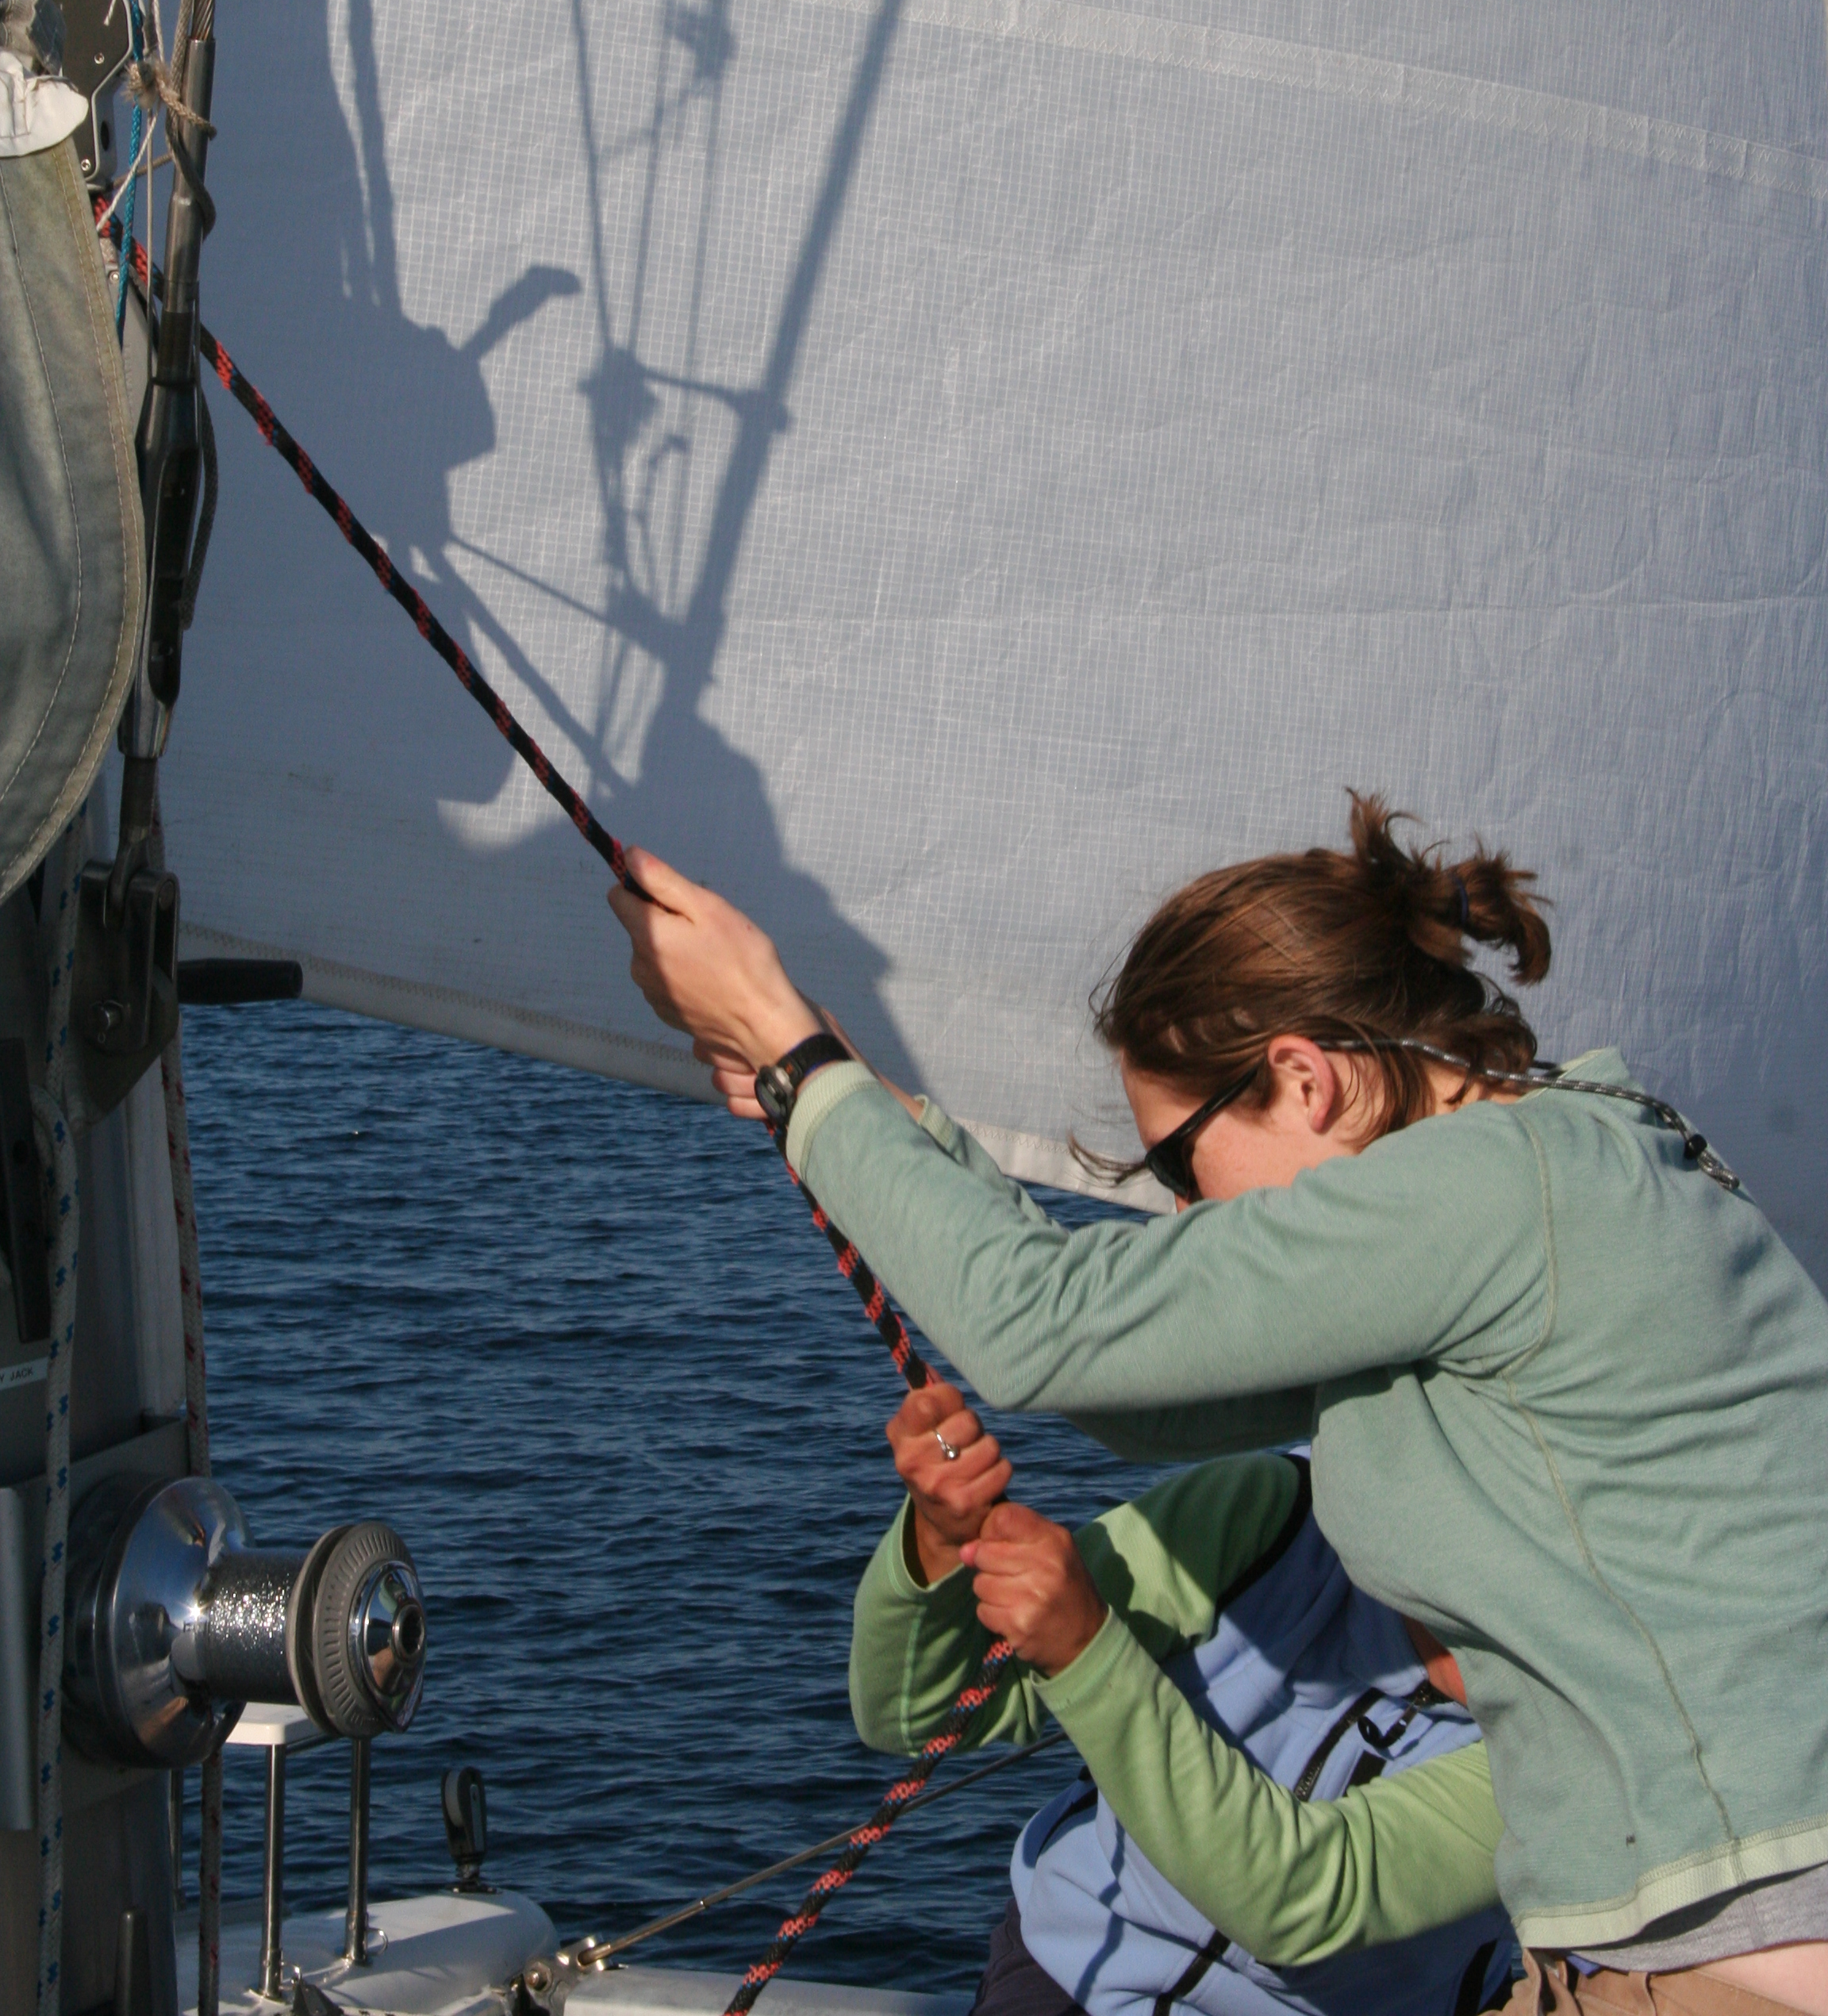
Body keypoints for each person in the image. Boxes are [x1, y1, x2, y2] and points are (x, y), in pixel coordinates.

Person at [609, 795, 1828, 2015]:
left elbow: (1042, 1331)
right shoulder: (1557, 1177)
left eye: (1180, 1163)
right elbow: (1145, 1393)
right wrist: (872, 1115)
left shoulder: (1500, 1185)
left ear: (1303, 1079)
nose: (1187, 1214)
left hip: (1740, 1964)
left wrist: (787, 1045)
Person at [857, 1372, 1512, 2016]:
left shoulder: (1561, 1738)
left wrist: (1087, 1652)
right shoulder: (1270, 1518)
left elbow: (1303, 1897)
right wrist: (939, 1542)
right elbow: (916, 1717)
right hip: (1073, 1968)